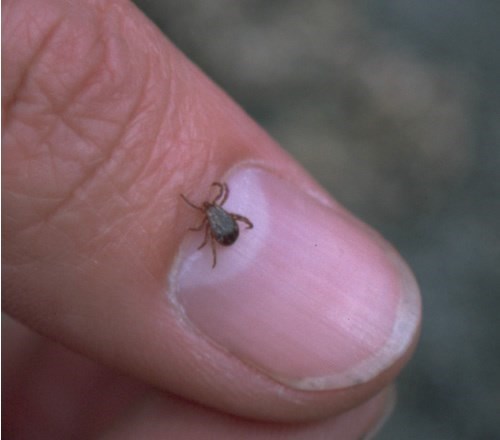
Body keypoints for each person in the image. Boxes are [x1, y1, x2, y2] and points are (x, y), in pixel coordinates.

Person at [2, 1, 422, 438]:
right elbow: (225, 218)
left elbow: (213, 223)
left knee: (205, 238)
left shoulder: (214, 219)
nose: (210, 209)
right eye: (209, 208)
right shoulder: (223, 216)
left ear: (216, 209)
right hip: (226, 237)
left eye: (210, 207)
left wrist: (209, 224)